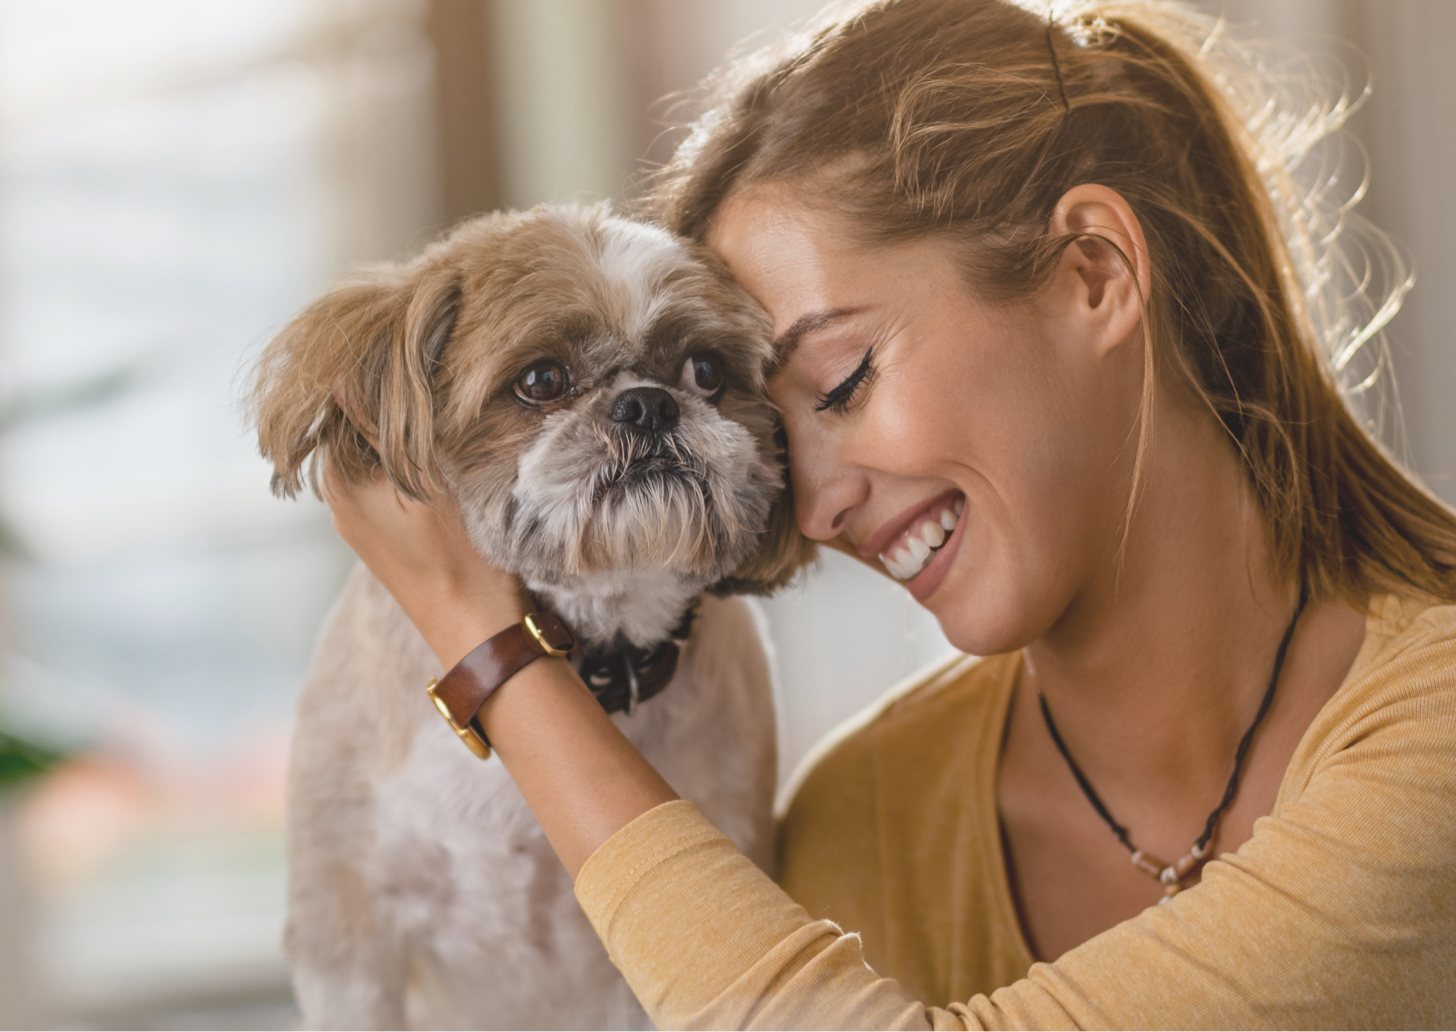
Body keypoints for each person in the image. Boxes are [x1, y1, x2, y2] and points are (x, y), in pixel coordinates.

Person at [319, 0, 1456, 1026]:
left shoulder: (1431, 725)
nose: (810, 505)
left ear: (1093, 273)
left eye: (846, 382)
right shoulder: (865, 810)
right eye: (773, 423)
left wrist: (488, 650)